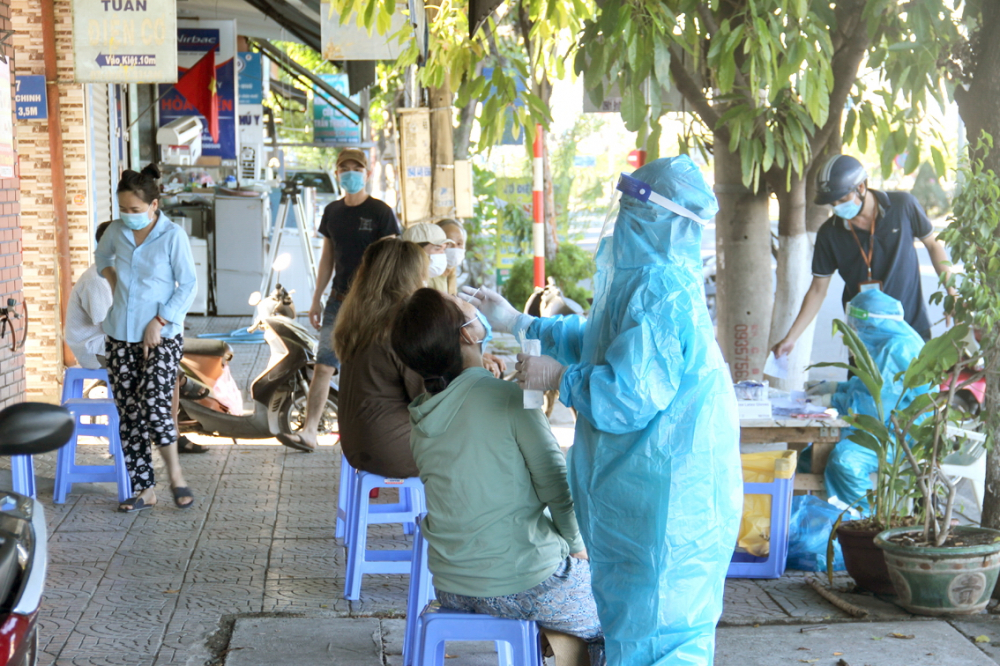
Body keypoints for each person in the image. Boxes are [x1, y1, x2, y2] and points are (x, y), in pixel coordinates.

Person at [462, 156, 743, 665]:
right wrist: (519, 323)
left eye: (633, 205)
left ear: (662, 217)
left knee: (659, 634)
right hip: (642, 490)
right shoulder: (641, 282)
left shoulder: (661, 289)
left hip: (669, 498)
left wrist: (560, 378)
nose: (622, 217)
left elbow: (627, 397)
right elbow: (595, 339)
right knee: (634, 630)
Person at [391, 287, 605, 666]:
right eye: (467, 310)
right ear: (468, 334)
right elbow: (557, 489)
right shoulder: (510, 401)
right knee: (617, 611)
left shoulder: (421, 416)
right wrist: (578, 549)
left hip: (452, 585)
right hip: (524, 582)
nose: (476, 312)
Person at [773, 154, 955, 358]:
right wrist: (791, 337)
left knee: (916, 388)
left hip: (911, 328)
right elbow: (817, 289)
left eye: (842, 200)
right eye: (832, 204)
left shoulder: (903, 206)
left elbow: (933, 245)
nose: (836, 208)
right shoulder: (829, 233)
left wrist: (952, 292)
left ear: (861, 187)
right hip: (863, 338)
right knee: (862, 390)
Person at [279, 148, 401, 452]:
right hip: (338, 299)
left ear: (367, 173)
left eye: (355, 168)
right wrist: (317, 297)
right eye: (344, 168)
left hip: (372, 304)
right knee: (324, 365)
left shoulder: (381, 213)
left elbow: (391, 260)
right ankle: (309, 431)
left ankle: (371, 433)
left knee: (368, 369)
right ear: (336, 173)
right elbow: (328, 257)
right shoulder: (332, 211)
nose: (350, 173)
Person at [95, 164, 198, 512]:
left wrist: (161, 319)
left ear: (154, 205)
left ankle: (176, 476)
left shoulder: (173, 236)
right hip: (120, 334)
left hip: (162, 335)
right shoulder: (115, 231)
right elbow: (102, 256)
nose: (128, 216)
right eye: (123, 210)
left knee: (155, 402)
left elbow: (189, 285)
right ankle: (144, 488)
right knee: (130, 413)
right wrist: (111, 278)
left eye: (135, 210)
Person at [809, 289, 930, 509]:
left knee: (844, 462)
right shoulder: (891, 342)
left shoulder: (896, 348)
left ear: (872, 325)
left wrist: (833, 399)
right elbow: (869, 386)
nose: (856, 332)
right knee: (809, 456)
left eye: (858, 326)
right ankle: (813, 520)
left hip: (902, 438)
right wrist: (836, 387)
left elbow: (873, 406)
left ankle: (859, 522)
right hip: (887, 429)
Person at [332, 238, 426, 478]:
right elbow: (428, 398)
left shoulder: (359, 319)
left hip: (357, 444)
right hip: (390, 450)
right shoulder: (401, 326)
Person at [65, 221, 113, 370]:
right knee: (151, 355)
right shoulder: (96, 280)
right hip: (94, 350)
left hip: (106, 344)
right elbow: (109, 324)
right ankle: (183, 385)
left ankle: (183, 385)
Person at [402, 223, 451, 291]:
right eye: (437, 249)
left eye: (443, 249)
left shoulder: (423, 283)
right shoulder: (403, 285)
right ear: (416, 251)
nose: (442, 254)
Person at [436, 218, 467, 295]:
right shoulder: (426, 274)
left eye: (459, 244)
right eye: (449, 242)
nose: (455, 247)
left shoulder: (452, 271)